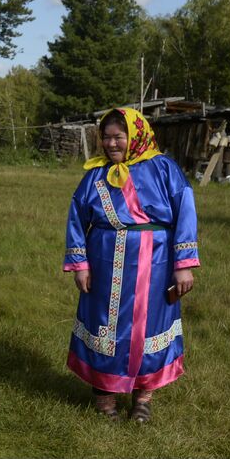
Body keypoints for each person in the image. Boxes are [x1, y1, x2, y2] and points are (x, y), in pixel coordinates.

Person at [63, 107, 199, 423]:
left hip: (157, 262)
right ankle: (105, 400)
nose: (112, 144)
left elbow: (185, 213)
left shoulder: (164, 168)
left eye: (118, 137)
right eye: (106, 138)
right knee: (105, 326)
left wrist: (184, 264)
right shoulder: (94, 175)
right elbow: (76, 220)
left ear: (135, 136)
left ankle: (143, 398)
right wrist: (80, 264)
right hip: (105, 261)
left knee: (148, 327)